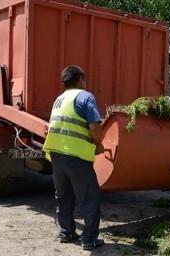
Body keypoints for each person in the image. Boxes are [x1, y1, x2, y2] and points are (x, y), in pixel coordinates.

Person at [43, 65, 105, 251]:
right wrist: (99, 143)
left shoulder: (59, 99)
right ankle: (89, 239)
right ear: (80, 79)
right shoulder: (86, 96)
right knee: (89, 197)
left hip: (56, 154)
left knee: (64, 196)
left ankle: (66, 232)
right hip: (76, 155)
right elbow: (94, 126)